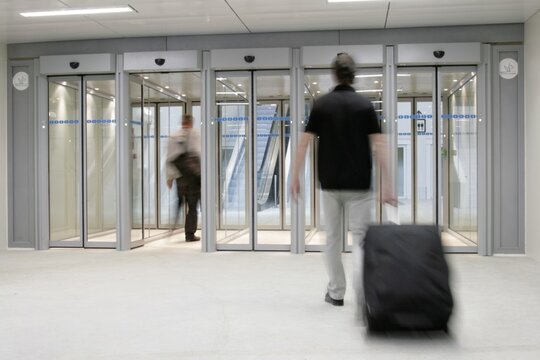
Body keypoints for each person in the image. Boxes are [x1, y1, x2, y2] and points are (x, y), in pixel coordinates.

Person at [290, 53, 394, 320]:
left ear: (334, 75)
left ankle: (336, 292)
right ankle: (364, 298)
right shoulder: (365, 105)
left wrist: (295, 176)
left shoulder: (322, 104)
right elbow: (380, 145)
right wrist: (388, 184)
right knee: (361, 241)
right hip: (361, 185)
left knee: (333, 240)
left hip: (331, 184)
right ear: (353, 76)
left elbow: (303, 143)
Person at [166, 114, 201, 242]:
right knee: (192, 207)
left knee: (180, 203)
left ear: (182, 122)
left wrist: (170, 177)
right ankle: (189, 234)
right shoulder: (195, 134)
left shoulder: (173, 136)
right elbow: (199, 154)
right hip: (193, 179)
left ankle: (173, 225)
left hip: (180, 178)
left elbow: (169, 158)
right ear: (191, 122)